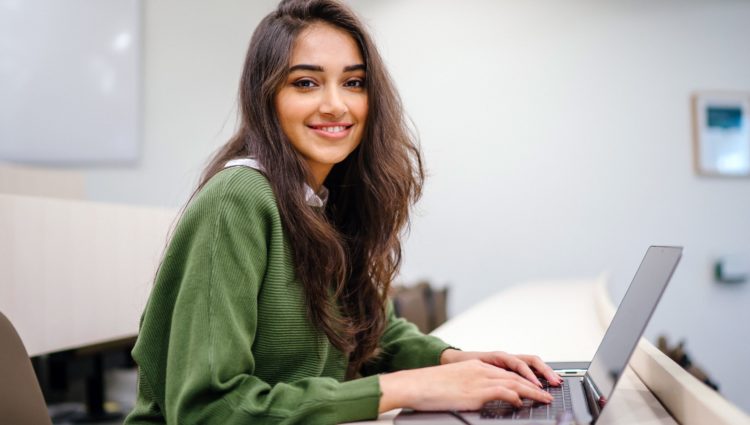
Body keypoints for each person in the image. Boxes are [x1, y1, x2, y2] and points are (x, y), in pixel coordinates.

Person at [125, 0, 561, 423]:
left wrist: (453, 360)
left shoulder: (323, 197)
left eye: (353, 83)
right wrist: (411, 388)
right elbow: (207, 410)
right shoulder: (238, 199)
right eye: (306, 83)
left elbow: (371, 330)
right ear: (266, 97)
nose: (336, 105)